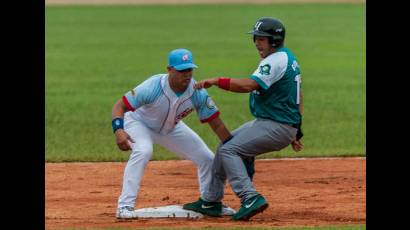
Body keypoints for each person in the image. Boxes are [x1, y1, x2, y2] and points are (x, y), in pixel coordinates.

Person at [183, 17, 304, 221]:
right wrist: (297, 127)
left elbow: (248, 85)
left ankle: (250, 197)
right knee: (225, 146)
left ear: (274, 40)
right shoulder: (285, 57)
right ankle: (211, 200)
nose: (257, 42)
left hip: (277, 125)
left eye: (261, 38)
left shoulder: (275, 60)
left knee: (231, 149)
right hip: (276, 123)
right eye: (255, 38)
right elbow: (298, 95)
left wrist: (216, 81)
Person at [111, 48, 235, 219]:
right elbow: (119, 106)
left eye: (189, 70)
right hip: (139, 123)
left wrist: (233, 146)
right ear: (169, 70)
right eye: (182, 70)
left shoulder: (196, 91)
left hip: (171, 128)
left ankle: (210, 202)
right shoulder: (153, 86)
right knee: (143, 150)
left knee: (207, 159)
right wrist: (118, 129)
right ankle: (124, 206)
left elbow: (217, 124)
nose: (187, 74)